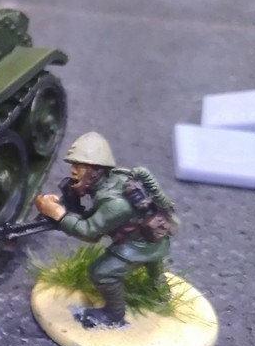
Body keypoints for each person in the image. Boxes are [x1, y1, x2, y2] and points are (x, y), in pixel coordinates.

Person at [34, 132, 176, 329]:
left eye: (79, 167)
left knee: (101, 273)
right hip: (154, 238)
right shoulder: (113, 181)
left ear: (95, 170)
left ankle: (114, 315)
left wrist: (59, 214)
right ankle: (162, 293)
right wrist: (68, 206)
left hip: (140, 246)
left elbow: (89, 232)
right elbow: (96, 218)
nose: (73, 171)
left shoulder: (115, 203)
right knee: (155, 269)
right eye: (73, 165)